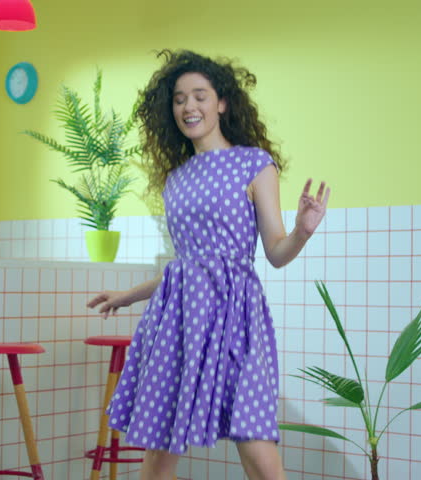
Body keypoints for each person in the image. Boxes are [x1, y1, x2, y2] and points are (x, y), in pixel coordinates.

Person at [87, 49, 330, 480]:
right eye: (179, 99)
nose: (188, 107)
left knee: (257, 445)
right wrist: (127, 296)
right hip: (179, 319)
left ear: (222, 103)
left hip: (237, 317)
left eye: (200, 96)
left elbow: (274, 251)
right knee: (158, 455)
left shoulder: (255, 164)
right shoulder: (175, 181)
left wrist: (302, 232)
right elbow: (185, 266)